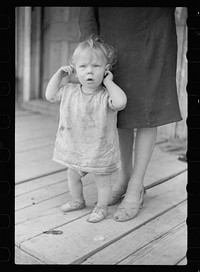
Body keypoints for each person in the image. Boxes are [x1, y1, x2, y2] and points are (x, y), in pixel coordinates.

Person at [79, 7, 182, 221]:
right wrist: (90, 38)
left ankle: (136, 186)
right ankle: (124, 177)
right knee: (119, 106)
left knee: (148, 106)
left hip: (154, 27)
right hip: (112, 30)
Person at [45, 37, 127, 223]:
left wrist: (109, 83)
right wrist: (59, 75)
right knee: (72, 175)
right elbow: (50, 95)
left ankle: (101, 207)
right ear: (74, 69)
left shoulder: (106, 96)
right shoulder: (69, 90)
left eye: (96, 66)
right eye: (82, 66)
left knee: (103, 182)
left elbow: (121, 103)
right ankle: (77, 200)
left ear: (106, 70)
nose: (89, 71)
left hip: (100, 149)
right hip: (75, 148)